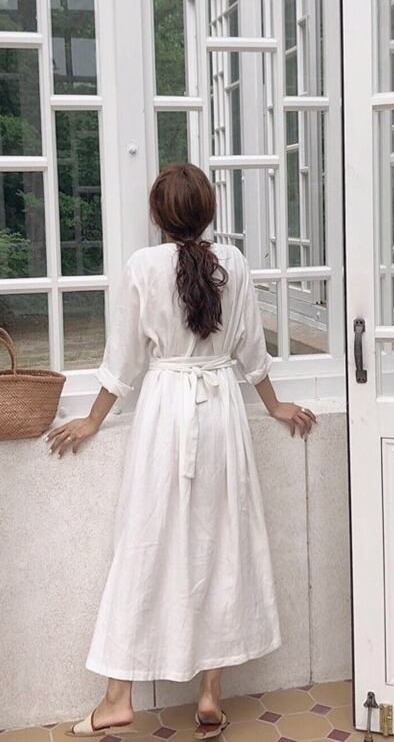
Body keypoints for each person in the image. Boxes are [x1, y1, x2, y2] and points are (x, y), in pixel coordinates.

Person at [46, 163, 316, 740]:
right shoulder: (233, 262)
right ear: (208, 211)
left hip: (166, 414)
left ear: (157, 215)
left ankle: (118, 698)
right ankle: (210, 697)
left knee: (143, 544)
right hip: (221, 414)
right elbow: (250, 349)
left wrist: (92, 420)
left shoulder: (143, 267)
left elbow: (124, 360)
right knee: (221, 545)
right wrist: (273, 406)